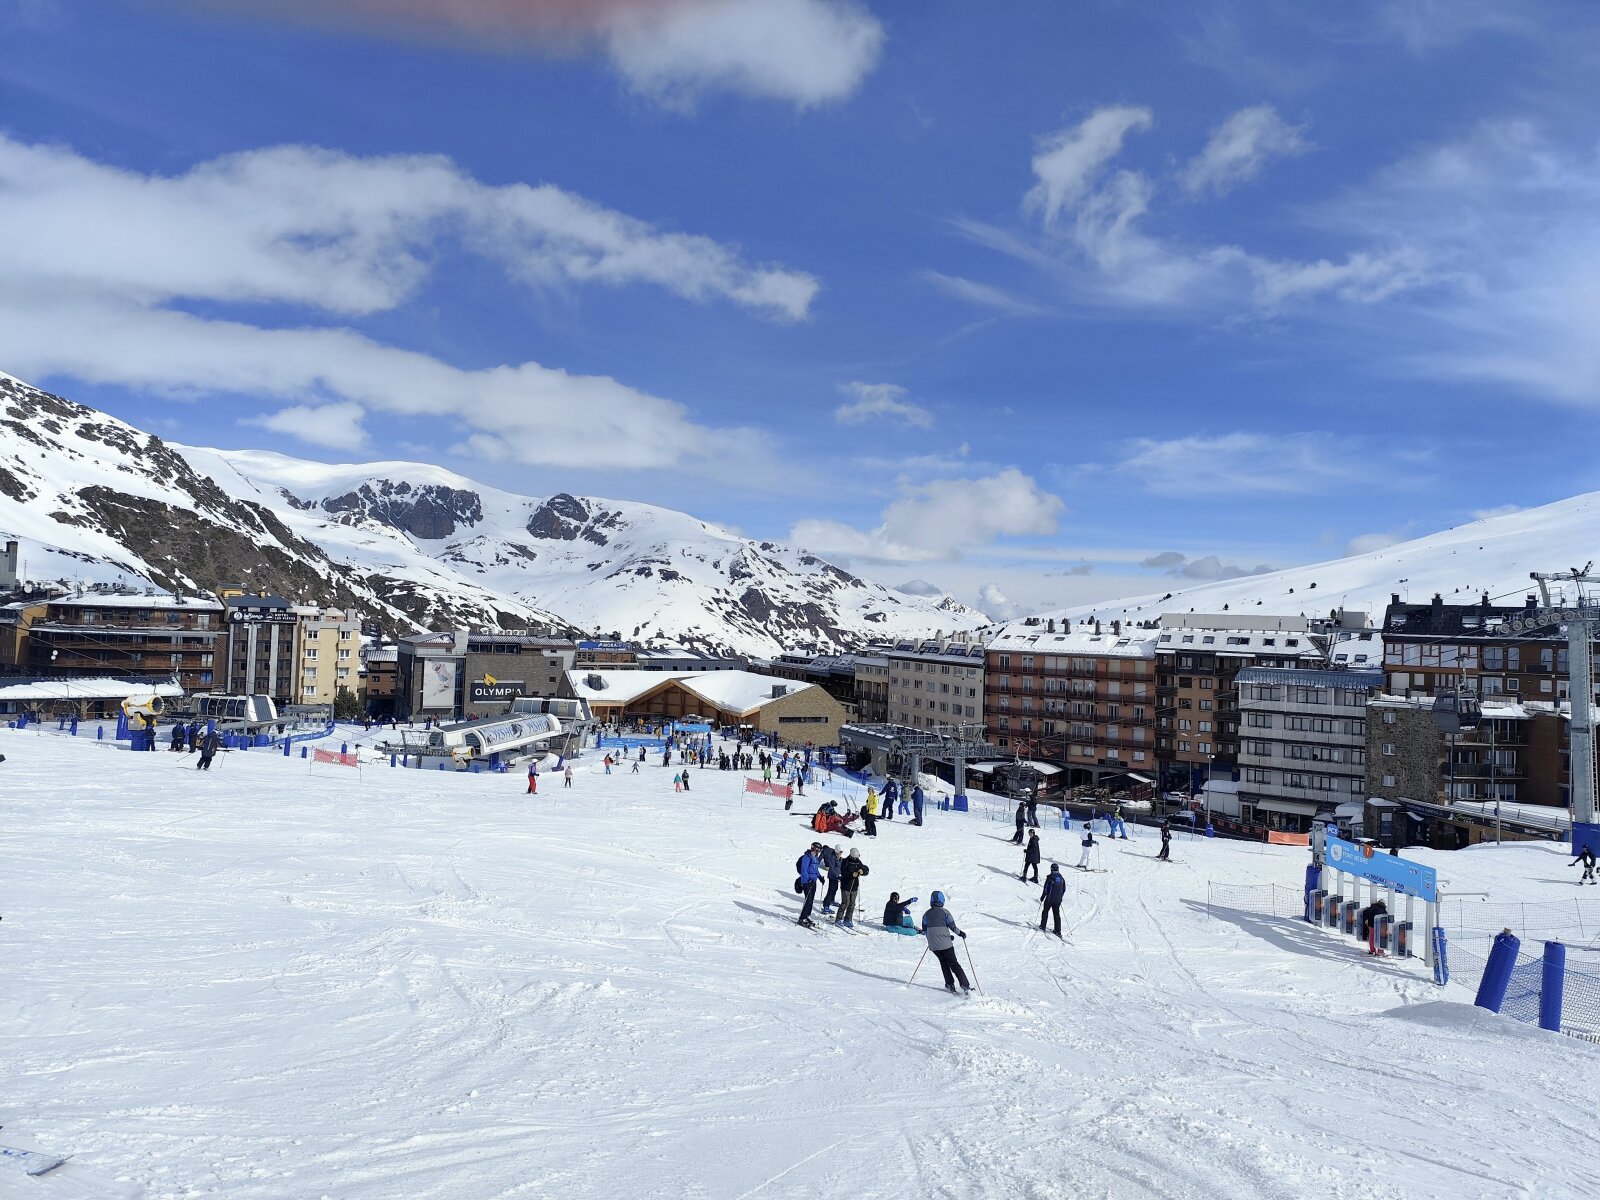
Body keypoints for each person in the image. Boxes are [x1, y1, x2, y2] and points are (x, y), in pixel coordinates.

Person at [920, 892, 970, 994]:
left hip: (933, 945)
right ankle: (965, 986)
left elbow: (925, 930)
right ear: (942, 901)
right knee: (954, 964)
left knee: (943, 962)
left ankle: (949, 984)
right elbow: (953, 927)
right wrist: (961, 934)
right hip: (945, 944)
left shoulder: (926, 914)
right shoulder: (945, 912)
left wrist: (934, 938)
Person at [836, 848, 869, 927]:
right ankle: (838, 919)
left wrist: (862, 871)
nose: (856, 858)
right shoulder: (845, 861)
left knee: (852, 904)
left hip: (854, 886)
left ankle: (848, 918)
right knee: (845, 903)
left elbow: (865, 869)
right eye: (855, 857)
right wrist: (851, 874)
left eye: (857, 857)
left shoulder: (858, 862)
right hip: (846, 886)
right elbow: (843, 872)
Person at [796, 843, 823, 926]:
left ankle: (807, 916)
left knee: (811, 900)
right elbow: (804, 870)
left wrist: (820, 877)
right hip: (807, 882)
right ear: (813, 848)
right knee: (808, 899)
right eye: (817, 849)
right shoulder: (806, 857)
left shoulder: (815, 858)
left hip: (813, 882)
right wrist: (807, 881)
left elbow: (815, 870)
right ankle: (802, 918)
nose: (818, 851)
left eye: (819, 850)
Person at [1040, 864, 1066, 938]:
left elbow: (1046, 889)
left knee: (1045, 911)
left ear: (1051, 869)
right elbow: (1064, 889)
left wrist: (1043, 897)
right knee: (1056, 914)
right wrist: (1060, 896)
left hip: (1049, 899)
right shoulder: (1061, 878)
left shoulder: (1050, 878)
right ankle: (1058, 930)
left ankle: (1043, 926)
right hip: (1058, 900)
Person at [820, 844, 842, 914]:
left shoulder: (838, 857)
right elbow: (831, 868)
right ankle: (826, 906)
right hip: (832, 876)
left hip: (837, 876)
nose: (841, 853)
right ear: (837, 851)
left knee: (835, 889)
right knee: (831, 891)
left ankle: (832, 900)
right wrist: (837, 875)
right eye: (840, 852)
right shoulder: (832, 857)